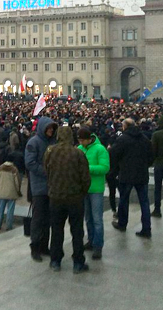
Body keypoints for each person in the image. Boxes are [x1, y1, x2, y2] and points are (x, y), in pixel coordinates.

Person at [44, 126, 91, 273]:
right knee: (77, 231)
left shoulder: (50, 151)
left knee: (56, 230)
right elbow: (85, 177)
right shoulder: (78, 153)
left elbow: (47, 171)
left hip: (56, 197)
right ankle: (78, 262)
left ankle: (55, 260)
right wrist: (82, 192)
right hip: (75, 198)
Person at [109, 119, 154, 238]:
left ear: (125, 126)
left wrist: (117, 167)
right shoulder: (144, 138)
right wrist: (145, 165)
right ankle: (146, 228)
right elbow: (151, 155)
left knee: (124, 200)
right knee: (144, 202)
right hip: (142, 173)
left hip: (126, 173)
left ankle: (122, 223)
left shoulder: (122, 139)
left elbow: (113, 155)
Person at [25, 116, 58, 262]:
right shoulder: (33, 142)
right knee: (38, 219)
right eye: (49, 128)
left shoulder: (53, 142)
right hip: (38, 187)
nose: (51, 130)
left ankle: (45, 246)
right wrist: (47, 171)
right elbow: (30, 163)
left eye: (52, 128)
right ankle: (35, 247)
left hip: (52, 186)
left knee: (48, 219)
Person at [76, 127, 109, 260]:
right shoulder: (79, 148)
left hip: (96, 189)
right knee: (88, 218)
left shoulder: (100, 149)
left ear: (89, 139)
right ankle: (90, 240)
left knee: (97, 219)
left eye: (82, 140)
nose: (81, 142)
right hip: (84, 189)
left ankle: (98, 246)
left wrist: (87, 169)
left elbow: (105, 168)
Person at [0, 161, 21, 231]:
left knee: (0, 208)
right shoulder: (14, 170)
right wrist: (18, 191)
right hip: (11, 192)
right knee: (10, 210)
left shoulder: (0, 169)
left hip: (2, 191)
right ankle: (9, 225)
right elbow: (17, 183)